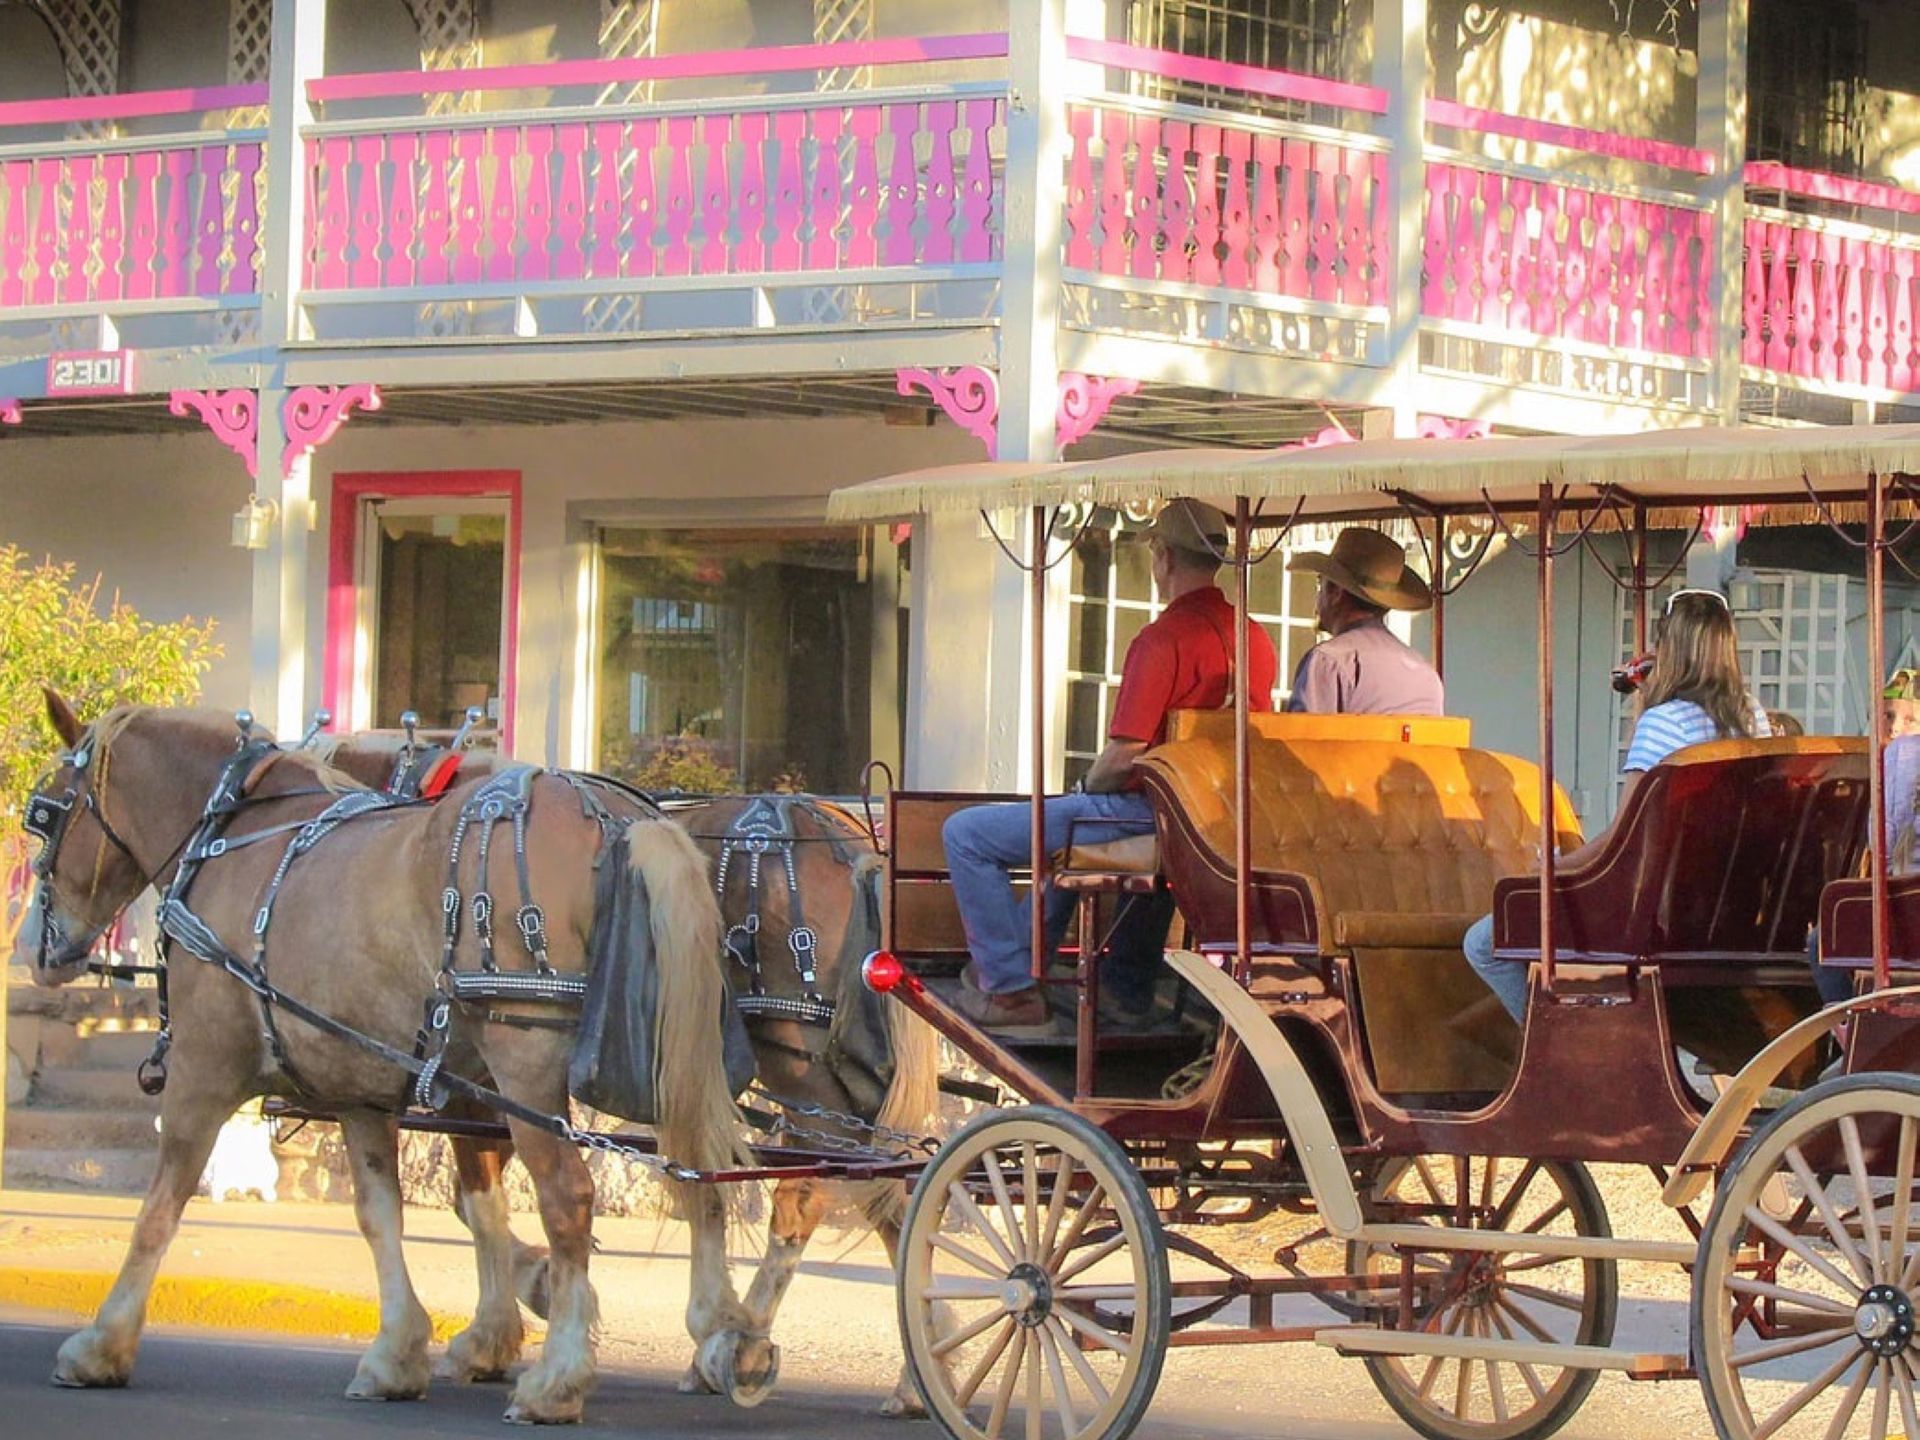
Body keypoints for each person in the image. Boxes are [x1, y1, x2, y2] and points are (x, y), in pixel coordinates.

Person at [943, 499, 1279, 1034]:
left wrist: (1083, 787)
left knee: (965, 834)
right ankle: (1038, 964)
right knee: (1064, 833)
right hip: (1217, 818)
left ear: (1163, 557)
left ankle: (1009, 993)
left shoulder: (1162, 638)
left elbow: (1125, 756)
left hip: (1151, 813)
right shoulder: (1257, 638)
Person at [1464, 589, 1771, 1023]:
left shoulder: (1663, 722)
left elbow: (1625, 836)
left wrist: (1556, 869)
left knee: (1483, 942)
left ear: (1668, 649)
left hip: (1656, 915)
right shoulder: (1752, 716)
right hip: (1729, 912)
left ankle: (1556, 1046)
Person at [1284, 528, 1444, 715]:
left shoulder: (1329, 661)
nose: (1317, 597)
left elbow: (1298, 742)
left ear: (1336, 592)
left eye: (1321, 583)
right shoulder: (1426, 675)